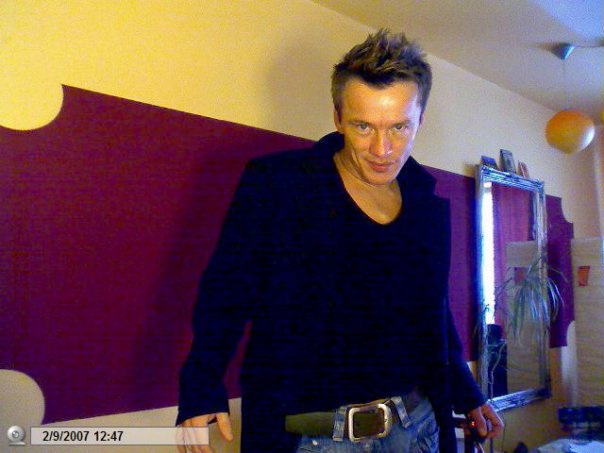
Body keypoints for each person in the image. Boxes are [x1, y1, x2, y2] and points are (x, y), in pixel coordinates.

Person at [177, 29, 503, 453]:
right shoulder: (278, 185)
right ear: (338, 117)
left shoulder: (427, 205)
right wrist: (201, 384)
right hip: (314, 437)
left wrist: (467, 391)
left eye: (399, 127)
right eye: (363, 126)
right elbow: (225, 292)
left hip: (416, 429)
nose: (382, 149)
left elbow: (432, 314)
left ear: (419, 120)